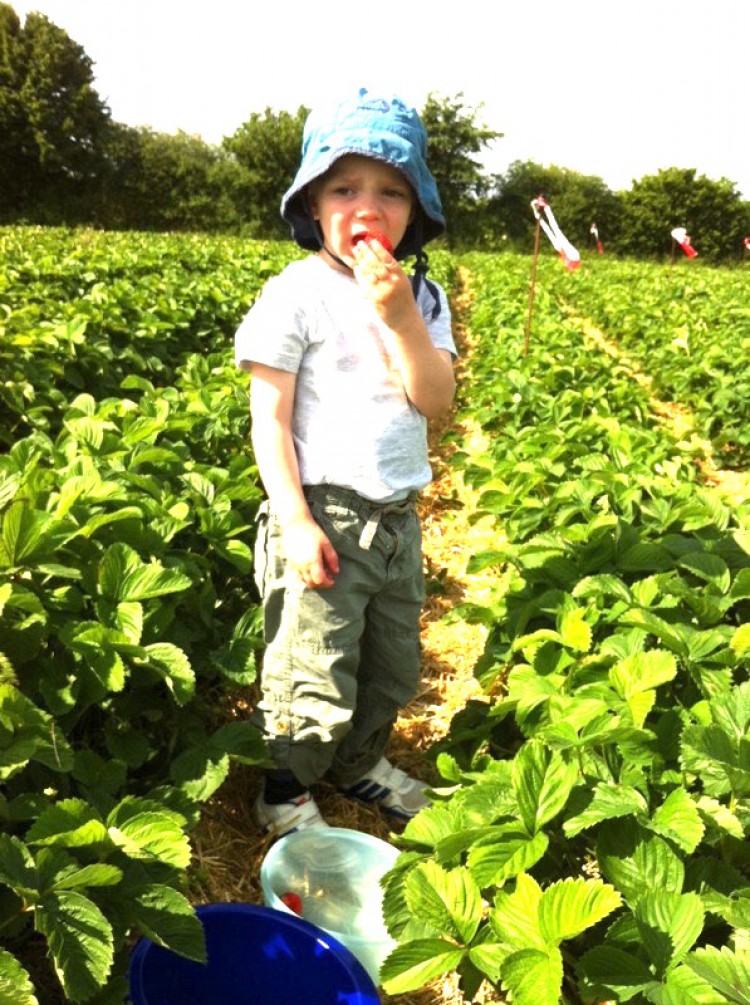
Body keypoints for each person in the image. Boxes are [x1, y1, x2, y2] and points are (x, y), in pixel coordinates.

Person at [234, 88, 457, 836]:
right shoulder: (295, 295)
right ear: (313, 203)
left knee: (391, 664)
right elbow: (269, 416)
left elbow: (436, 400)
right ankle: (286, 788)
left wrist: (398, 316)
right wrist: (294, 519)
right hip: (324, 515)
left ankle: (358, 762)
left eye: (391, 189)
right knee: (313, 666)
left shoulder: (422, 297)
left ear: (415, 207)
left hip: (397, 519)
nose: (369, 204)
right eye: (345, 187)